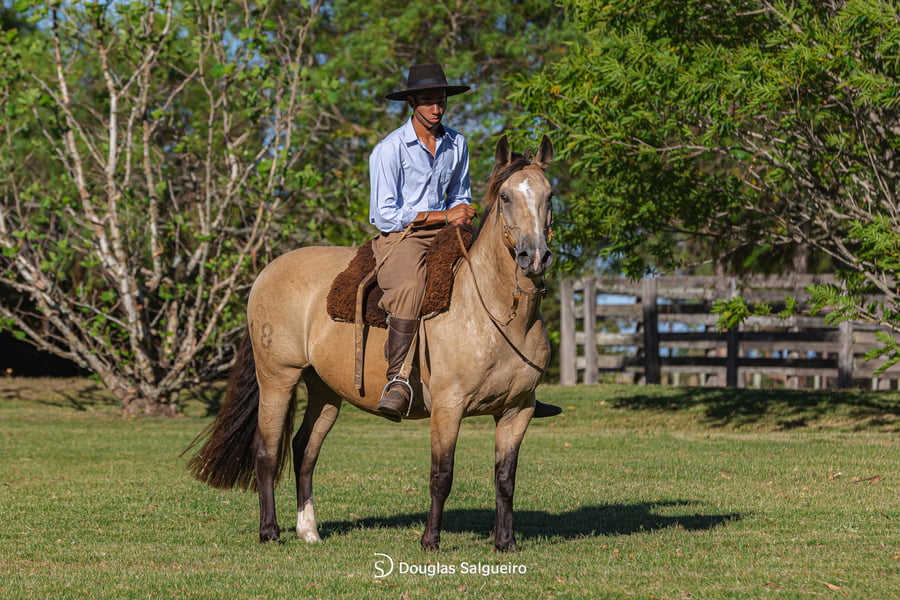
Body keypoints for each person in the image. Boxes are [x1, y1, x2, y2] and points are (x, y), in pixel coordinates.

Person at [369, 62, 560, 422]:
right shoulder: (389, 149)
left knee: (504, 272)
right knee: (411, 285)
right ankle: (398, 380)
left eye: (440, 100)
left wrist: (462, 210)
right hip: (403, 236)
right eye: (427, 101)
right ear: (411, 102)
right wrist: (444, 215)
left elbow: (460, 193)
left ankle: (520, 386)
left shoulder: (458, 143)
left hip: (450, 231)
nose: (436, 108)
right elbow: (383, 213)